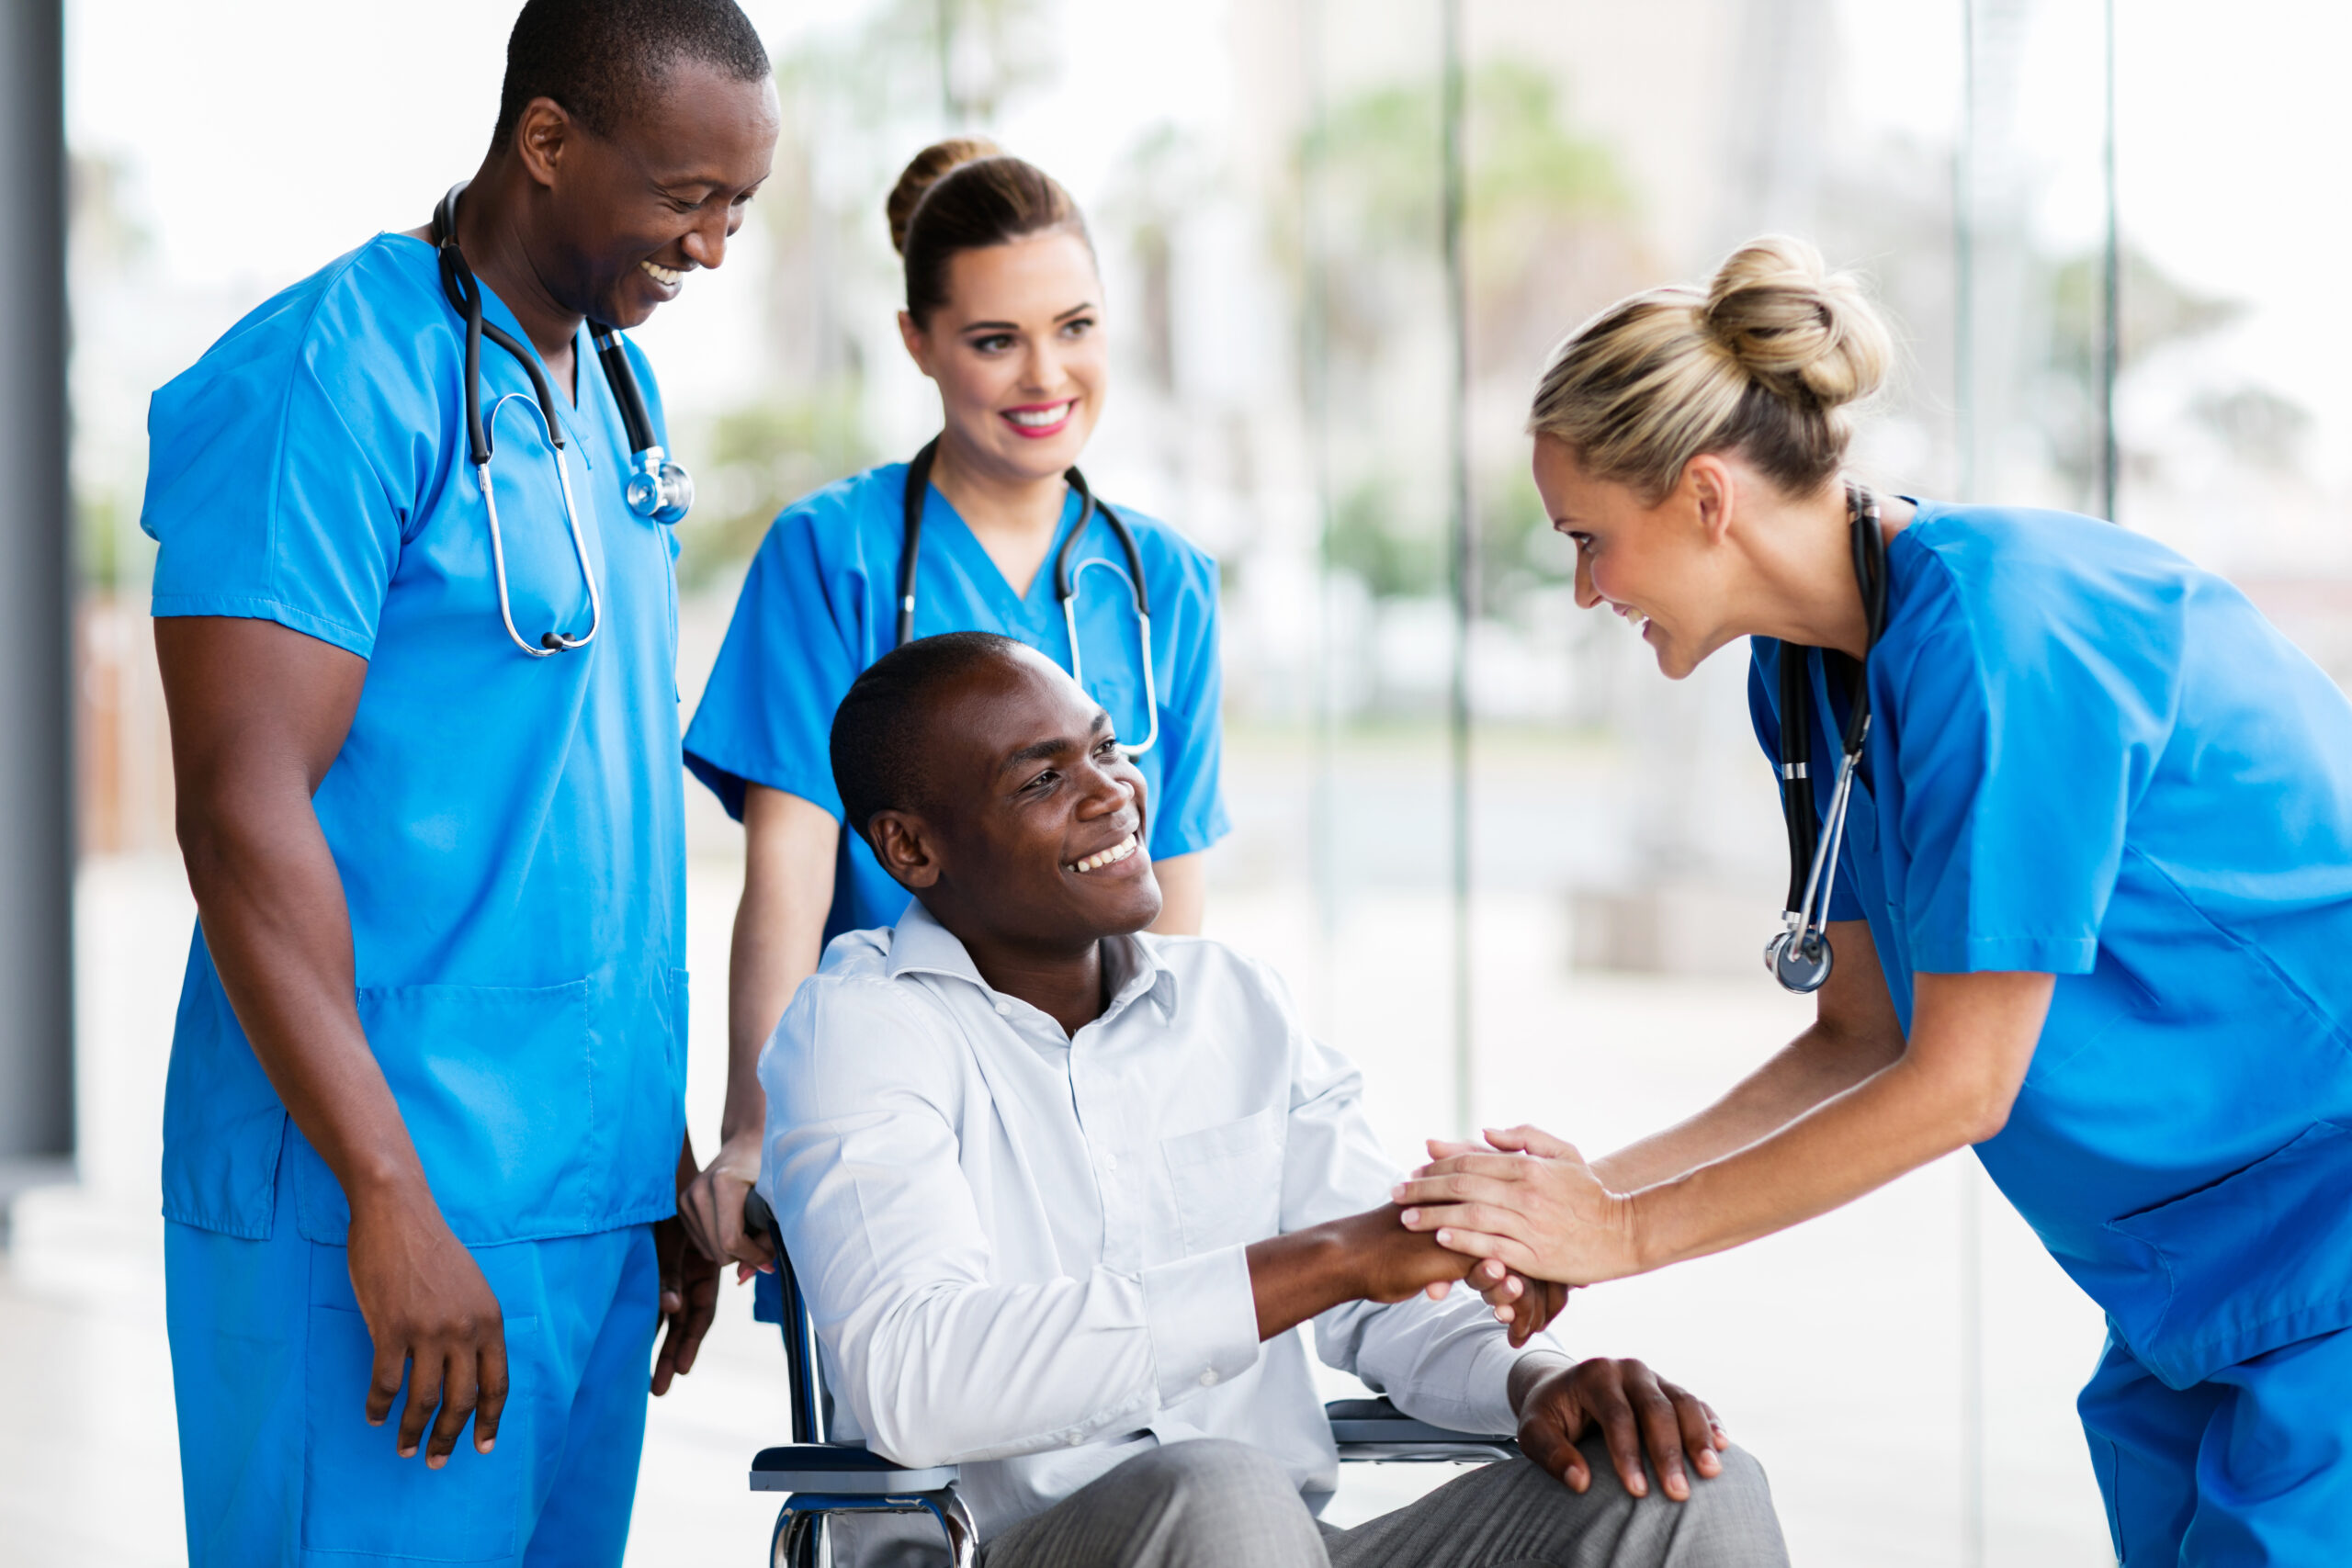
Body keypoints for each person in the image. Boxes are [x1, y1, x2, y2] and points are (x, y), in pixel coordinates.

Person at [1391, 237, 2352, 1565]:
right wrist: (1585, 1190)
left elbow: (1964, 1080)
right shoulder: (1803, 675)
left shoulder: (2007, 623)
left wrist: (1622, 1231)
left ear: (1706, 495)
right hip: (2194, 1284)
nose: (1586, 589)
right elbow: (1860, 1033)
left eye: (1589, 540)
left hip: (2324, 1237)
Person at [141, 4, 778, 1562]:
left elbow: (577, 809)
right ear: (548, 143)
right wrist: (388, 1196)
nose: (710, 248)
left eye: (739, 209)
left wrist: (651, 1171)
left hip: (581, 1213)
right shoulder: (328, 376)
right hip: (374, 1205)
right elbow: (240, 809)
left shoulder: (607, 393)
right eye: (683, 196)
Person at [757, 631, 1791, 1568]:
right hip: (1009, 1549)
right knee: (1216, 1486)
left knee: (1682, 1487)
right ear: (910, 850)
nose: (1112, 790)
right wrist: (1333, 1258)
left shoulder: (1233, 1003)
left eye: (1107, 748)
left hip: (1276, 1548)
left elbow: (1396, 1304)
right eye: (1042, 777)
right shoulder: (860, 1029)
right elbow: (914, 1381)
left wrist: (1539, 1381)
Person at [677, 140, 1230, 1278]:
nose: (1045, 376)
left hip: (1103, 1118)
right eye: (995, 341)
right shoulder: (833, 555)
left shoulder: (1163, 578)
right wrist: (756, 1125)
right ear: (917, 343)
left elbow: (1172, 891)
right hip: (896, 1103)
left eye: (1075, 327)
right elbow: (791, 874)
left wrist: (1190, 1127)